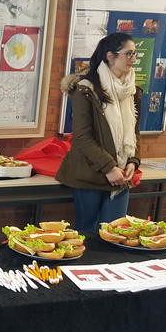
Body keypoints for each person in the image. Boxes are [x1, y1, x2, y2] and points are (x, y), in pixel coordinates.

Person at [56, 32, 141, 233]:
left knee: (116, 233)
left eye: (135, 54)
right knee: (89, 234)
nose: (134, 59)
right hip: (90, 173)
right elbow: (82, 138)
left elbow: (135, 134)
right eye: (129, 54)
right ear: (110, 56)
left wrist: (133, 161)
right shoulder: (85, 89)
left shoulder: (132, 90)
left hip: (121, 176)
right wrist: (109, 168)